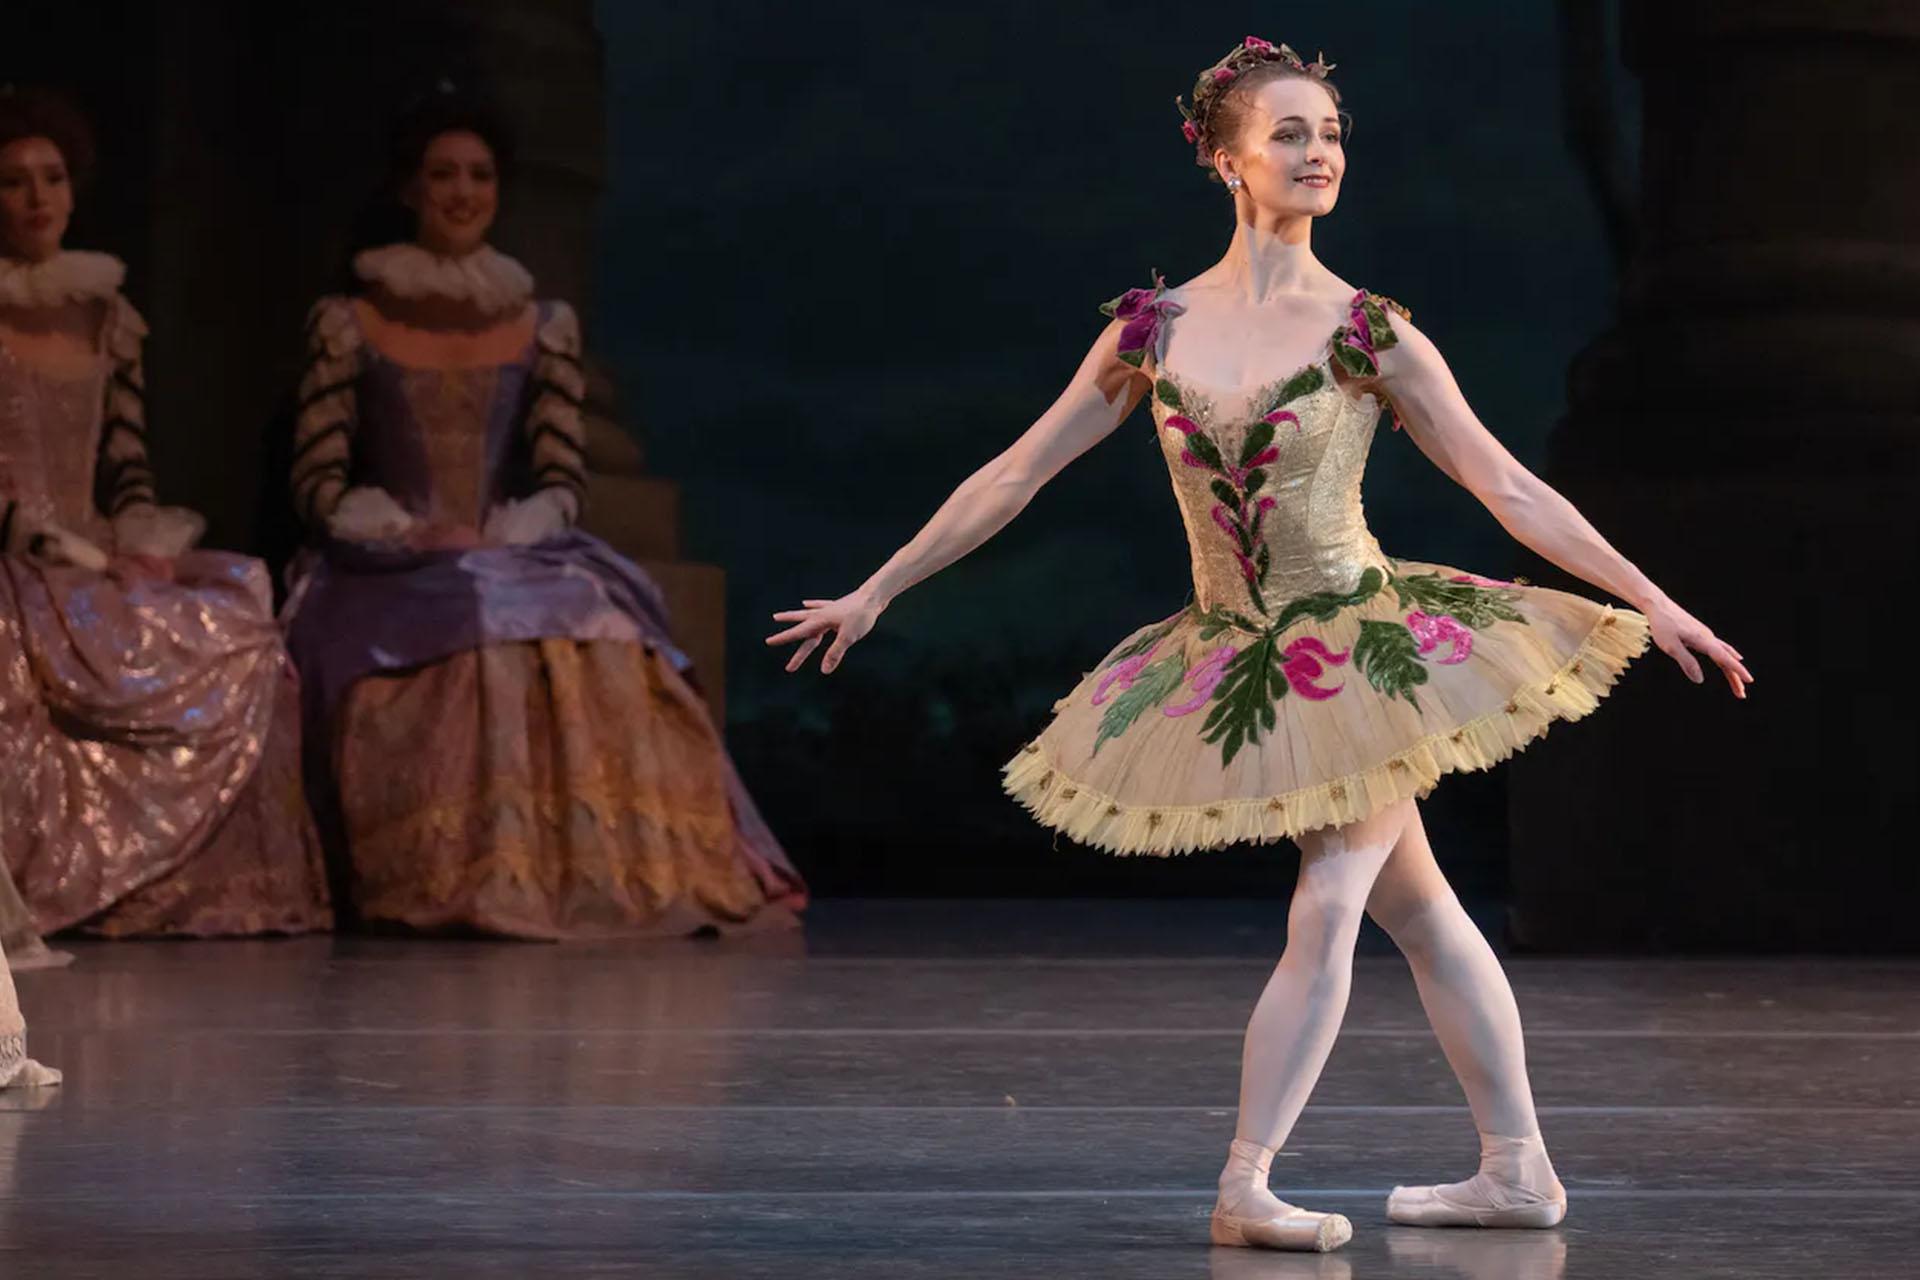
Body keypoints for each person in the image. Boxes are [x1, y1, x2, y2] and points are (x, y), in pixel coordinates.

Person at [767, 38, 1750, 1252]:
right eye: (1289, 132)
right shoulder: (1152, 330)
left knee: (1329, 901)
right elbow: (1016, 471)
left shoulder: (1367, 330)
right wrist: (877, 588)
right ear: (1227, 158)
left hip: (1360, 654)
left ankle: (1248, 1181)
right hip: (1243, 650)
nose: (1318, 150)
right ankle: (1520, 1170)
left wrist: (1652, 598)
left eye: (1330, 130)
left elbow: (1507, 484)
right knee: (1425, 914)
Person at [283, 86, 804, 939]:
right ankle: (467, 875)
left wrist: (514, 525)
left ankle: (607, 872)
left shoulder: (536, 322)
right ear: (410, 189)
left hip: (506, 541)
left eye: (479, 175)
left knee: (601, 629)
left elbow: (562, 471)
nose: (461, 191)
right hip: (391, 557)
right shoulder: (356, 320)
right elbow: (317, 478)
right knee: (475, 624)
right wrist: (403, 531)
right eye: (442, 173)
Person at [0, 87, 331, 939]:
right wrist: (59, 546)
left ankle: (197, 886)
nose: (37, 198)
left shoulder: (108, 316)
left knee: (240, 610)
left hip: (93, 547)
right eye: (14, 182)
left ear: (74, 191)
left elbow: (127, 461)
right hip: (17, 554)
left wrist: (141, 538)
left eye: (52, 178)